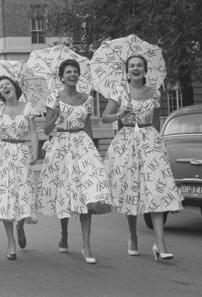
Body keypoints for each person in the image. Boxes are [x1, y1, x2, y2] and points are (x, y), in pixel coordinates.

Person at [101, 55, 183, 261]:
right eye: (132, 66)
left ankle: (160, 244)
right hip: (127, 142)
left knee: (156, 190)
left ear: (145, 70)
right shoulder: (120, 92)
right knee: (131, 191)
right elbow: (104, 118)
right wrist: (119, 114)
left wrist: (159, 146)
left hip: (150, 143)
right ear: (127, 71)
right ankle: (132, 236)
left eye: (139, 65)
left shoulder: (154, 92)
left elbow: (155, 122)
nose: (136, 68)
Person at [37, 59, 111, 265]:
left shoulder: (86, 98)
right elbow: (46, 130)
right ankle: (64, 233)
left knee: (86, 194)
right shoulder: (54, 97)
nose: (72, 74)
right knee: (65, 194)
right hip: (61, 146)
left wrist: (93, 154)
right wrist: (56, 118)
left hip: (82, 146)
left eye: (75, 71)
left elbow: (88, 127)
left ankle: (86, 245)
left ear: (79, 76)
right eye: (68, 71)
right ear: (61, 77)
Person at [0, 76, 39, 260]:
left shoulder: (28, 107)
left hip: (22, 152)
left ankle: (21, 226)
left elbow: (32, 131)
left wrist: (35, 151)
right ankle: (11, 241)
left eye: (7, 84)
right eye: (1, 87)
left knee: (22, 194)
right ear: (0, 93)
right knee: (5, 196)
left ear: (14, 87)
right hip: (3, 154)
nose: (5, 87)